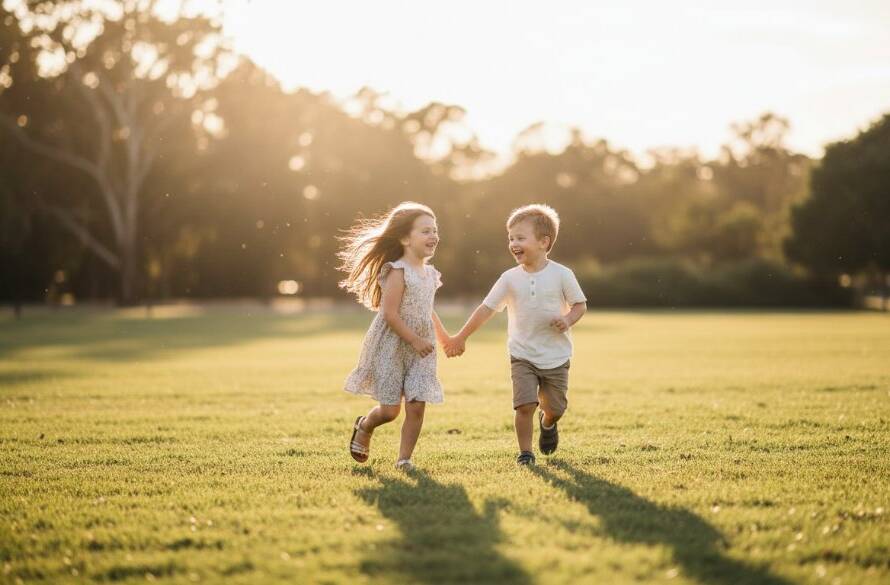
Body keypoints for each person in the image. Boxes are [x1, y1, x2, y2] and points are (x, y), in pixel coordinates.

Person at [446, 204, 587, 465]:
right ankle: (525, 453)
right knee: (524, 405)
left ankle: (548, 424)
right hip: (522, 353)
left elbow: (580, 305)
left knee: (555, 409)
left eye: (520, 238)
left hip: (556, 355)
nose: (513, 243)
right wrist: (461, 336)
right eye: (511, 238)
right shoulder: (509, 278)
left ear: (544, 242)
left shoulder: (562, 274)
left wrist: (567, 319)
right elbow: (486, 309)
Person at [339, 202, 452, 471]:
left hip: (423, 348)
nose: (433, 236)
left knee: (416, 404)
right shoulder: (397, 271)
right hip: (392, 344)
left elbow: (427, 311)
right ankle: (365, 425)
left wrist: (445, 338)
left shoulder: (431, 274)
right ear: (404, 238)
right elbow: (389, 314)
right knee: (390, 411)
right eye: (425, 231)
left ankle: (404, 460)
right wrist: (413, 339)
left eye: (435, 230)